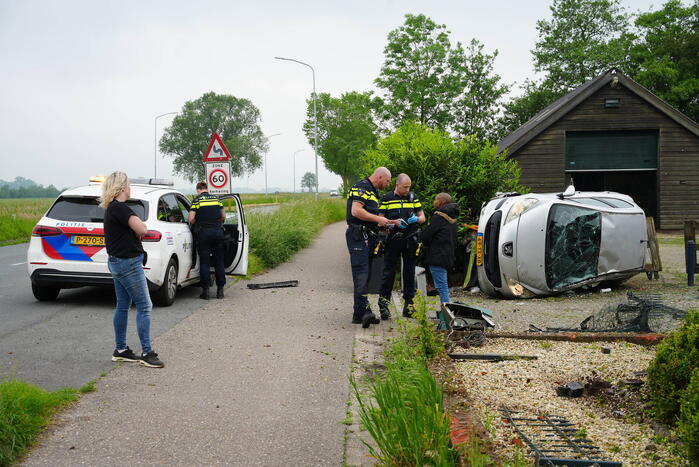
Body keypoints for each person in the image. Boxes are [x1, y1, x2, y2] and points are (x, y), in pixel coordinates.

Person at [101, 171, 164, 368]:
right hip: (128, 264)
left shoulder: (112, 209)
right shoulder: (120, 209)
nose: (130, 187)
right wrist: (139, 230)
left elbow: (132, 231)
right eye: (128, 184)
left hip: (117, 262)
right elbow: (142, 229)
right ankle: (147, 352)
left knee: (122, 306)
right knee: (144, 306)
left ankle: (121, 350)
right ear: (121, 187)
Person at [346, 167, 401, 328]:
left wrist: (390, 222)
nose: (388, 184)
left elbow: (371, 216)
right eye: (387, 180)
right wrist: (378, 218)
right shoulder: (362, 187)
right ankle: (365, 311)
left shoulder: (372, 191)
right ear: (379, 176)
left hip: (367, 236)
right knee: (361, 274)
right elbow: (356, 211)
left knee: (366, 274)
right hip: (358, 236)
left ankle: (359, 314)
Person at [377, 173, 426, 319]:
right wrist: (393, 222)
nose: (407, 189)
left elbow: (423, 218)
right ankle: (384, 305)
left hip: (410, 239)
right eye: (405, 187)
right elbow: (379, 220)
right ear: (397, 185)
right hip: (393, 239)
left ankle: (409, 306)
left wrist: (415, 219)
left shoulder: (412, 197)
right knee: (388, 273)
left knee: (409, 273)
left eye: (409, 187)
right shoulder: (386, 198)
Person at [188, 181, 227, 300]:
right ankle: (220, 291)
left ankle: (206, 292)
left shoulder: (197, 200)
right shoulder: (217, 199)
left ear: (198, 189)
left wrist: (198, 223)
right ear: (207, 188)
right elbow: (224, 216)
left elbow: (191, 218)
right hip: (217, 232)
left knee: (205, 262)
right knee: (219, 261)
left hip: (204, 233)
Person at [420, 193, 459, 305]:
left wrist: (422, 235)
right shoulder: (452, 216)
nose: (434, 202)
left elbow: (427, 235)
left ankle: (447, 314)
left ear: (441, 201)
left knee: (441, 287)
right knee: (442, 285)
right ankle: (447, 309)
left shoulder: (439, 216)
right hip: (448, 254)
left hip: (438, 255)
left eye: (435, 200)